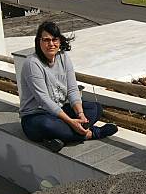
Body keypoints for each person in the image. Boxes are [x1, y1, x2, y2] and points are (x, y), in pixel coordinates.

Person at [19, 21, 117, 152]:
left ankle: (58, 139)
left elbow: (72, 89)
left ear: (59, 41)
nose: (51, 44)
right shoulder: (32, 64)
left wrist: (80, 115)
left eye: (55, 39)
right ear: (39, 42)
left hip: (60, 110)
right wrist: (71, 122)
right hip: (36, 117)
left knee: (95, 108)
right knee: (47, 125)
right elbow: (44, 100)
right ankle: (91, 133)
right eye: (46, 40)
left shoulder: (63, 57)